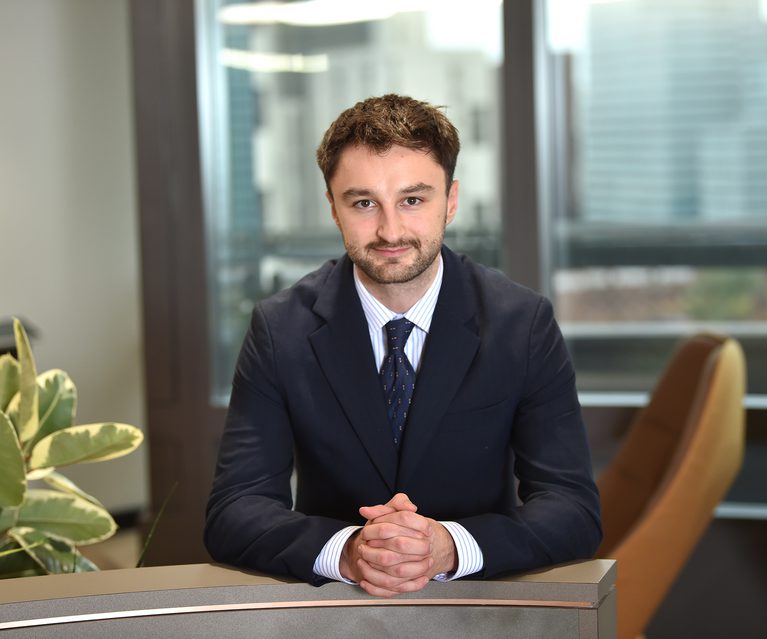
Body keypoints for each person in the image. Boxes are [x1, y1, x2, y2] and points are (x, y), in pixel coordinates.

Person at [204, 94, 602, 597]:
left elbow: (573, 508)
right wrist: (348, 551)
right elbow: (233, 509)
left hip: (480, 610)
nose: (390, 230)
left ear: (451, 201)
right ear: (333, 206)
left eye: (413, 200)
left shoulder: (522, 322)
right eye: (364, 202)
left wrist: (448, 545)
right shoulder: (279, 328)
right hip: (333, 614)